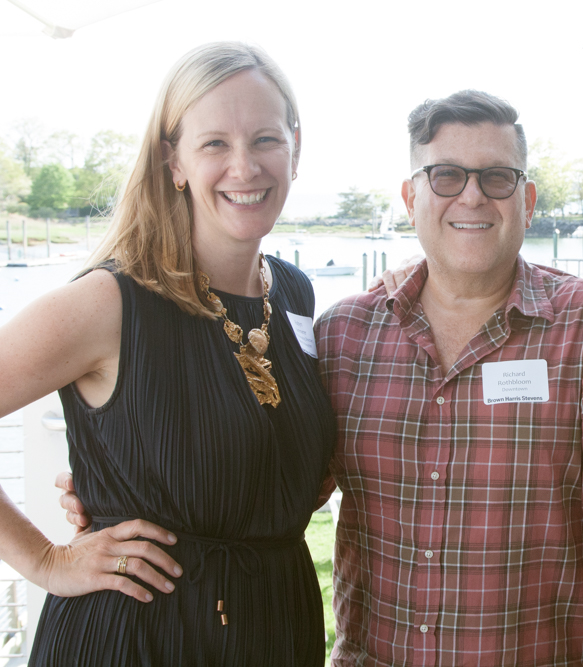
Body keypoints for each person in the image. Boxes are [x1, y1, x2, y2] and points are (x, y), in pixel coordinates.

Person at [314, 90, 583, 665]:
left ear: (526, 200)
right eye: (446, 176)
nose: (473, 196)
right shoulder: (344, 336)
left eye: (497, 178)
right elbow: (277, 501)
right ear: (411, 198)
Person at [1, 42, 335, 666]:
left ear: (296, 147)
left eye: (265, 139)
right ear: (172, 160)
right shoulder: (110, 302)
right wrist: (45, 560)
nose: (245, 166)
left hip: (274, 631)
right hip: (139, 640)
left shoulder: (294, 293)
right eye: (214, 144)